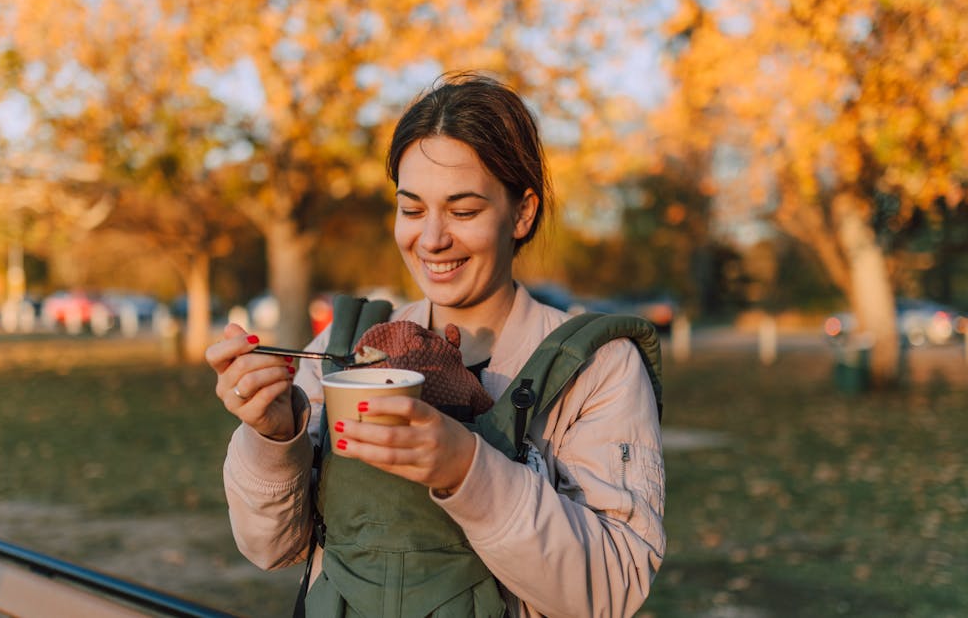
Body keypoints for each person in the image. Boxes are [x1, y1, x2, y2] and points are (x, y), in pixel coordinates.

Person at [206, 72, 665, 617]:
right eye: (413, 208)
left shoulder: (599, 367)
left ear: (522, 213)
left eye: (463, 211)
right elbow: (271, 548)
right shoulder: (346, 345)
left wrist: (466, 469)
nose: (431, 239)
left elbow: (611, 588)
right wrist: (274, 438)